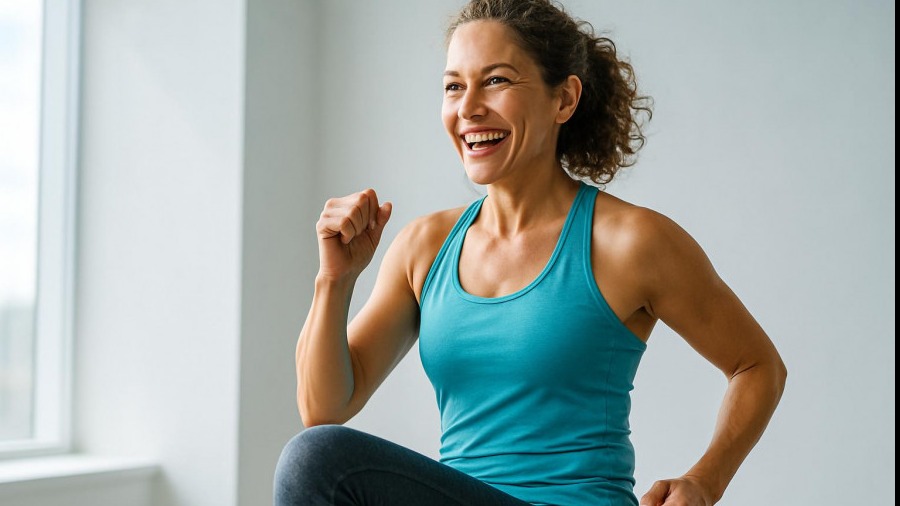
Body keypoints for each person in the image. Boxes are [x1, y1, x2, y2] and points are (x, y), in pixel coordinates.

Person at [273, 0, 787, 504]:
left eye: (496, 80)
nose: (468, 108)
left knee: (314, 458)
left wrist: (705, 481)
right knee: (312, 458)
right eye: (454, 86)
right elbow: (325, 407)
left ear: (564, 99)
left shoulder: (630, 241)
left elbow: (756, 365)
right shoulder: (425, 247)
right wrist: (335, 279)